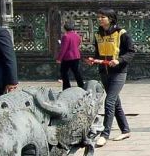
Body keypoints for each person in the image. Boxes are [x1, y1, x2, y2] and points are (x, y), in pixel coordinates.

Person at [91, 8, 134, 147]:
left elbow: (131, 52)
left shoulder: (121, 33)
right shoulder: (98, 34)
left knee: (109, 102)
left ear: (111, 18)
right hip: (104, 71)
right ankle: (125, 130)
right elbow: (98, 53)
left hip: (119, 72)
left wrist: (119, 60)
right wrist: (95, 60)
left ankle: (105, 134)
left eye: (103, 17)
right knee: (115, 103)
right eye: (99, 17)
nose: (100, 19)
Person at [56, 20, 84, 90]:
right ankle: (81, 86)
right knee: (76, 72)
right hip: (76, 56)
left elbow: (63, 49)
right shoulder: (77, 35)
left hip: (68, 58)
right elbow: (78, 44)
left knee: (63, 72)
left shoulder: (65, 36)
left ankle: (66, 87)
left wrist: (59, 59)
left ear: (65, 28)